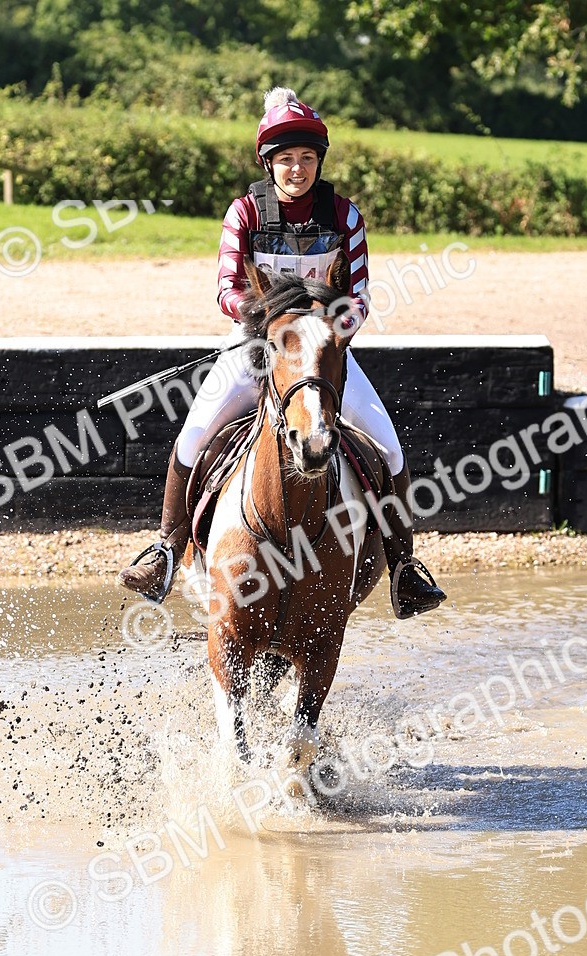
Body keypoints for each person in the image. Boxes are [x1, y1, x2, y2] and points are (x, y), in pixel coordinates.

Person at [119, 87, 445, 619]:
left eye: (307, 159)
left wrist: (325, 333)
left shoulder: (345, 215)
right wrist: (266, 321)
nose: (298, 170)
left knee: (388, 447)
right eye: (287, 160)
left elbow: (358, 298)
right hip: (255, 349)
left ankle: (405, 569)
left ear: (319, 161)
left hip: (321, 354)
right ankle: (165, 550)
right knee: (193, 435)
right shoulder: (244, 211)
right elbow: (226, 287)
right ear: (269, 163)